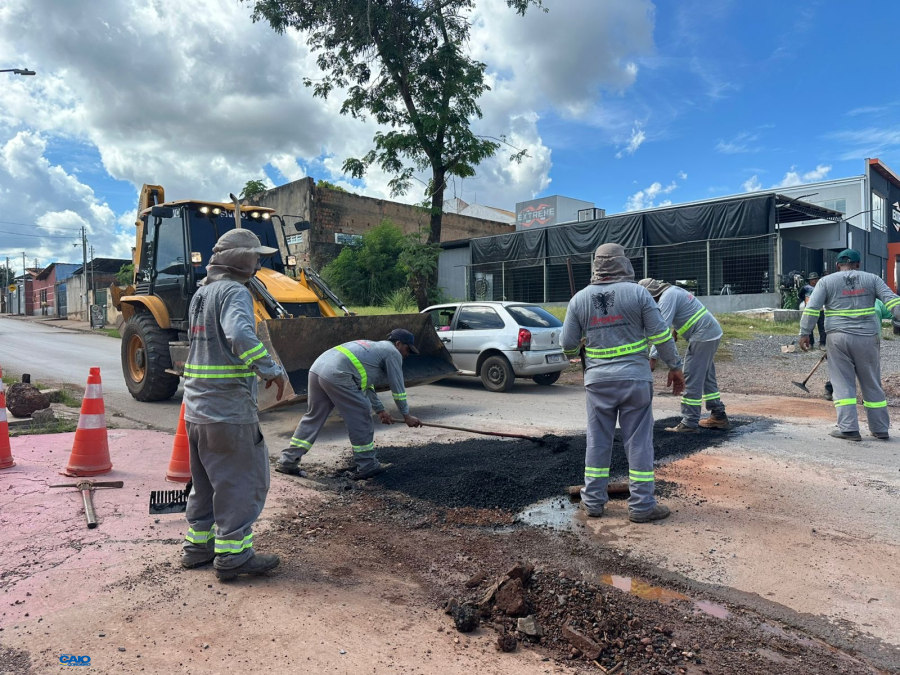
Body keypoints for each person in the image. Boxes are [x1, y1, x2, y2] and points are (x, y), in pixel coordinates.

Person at [181, 228, 288, 581]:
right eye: (256, 256)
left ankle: (198, 547)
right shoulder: (234, 292)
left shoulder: (202, 294)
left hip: (196, 411)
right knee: (242, 482)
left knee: (206, 483)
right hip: (227, 412)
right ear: (241, 260)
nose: (258, 263)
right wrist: (269, 368)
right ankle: (234, 556)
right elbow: (241, 335)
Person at [561, 244, 685, 523]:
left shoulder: (580, 299)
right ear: (623, 264)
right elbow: (661, 335)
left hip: (597, 382)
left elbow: (567, 344)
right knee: (639, 442)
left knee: (598, 440)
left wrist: (581, 344)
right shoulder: (639, 293)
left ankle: (592, 502)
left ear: (596, 266)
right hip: (635, 380)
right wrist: (676, 367)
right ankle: (642, 507)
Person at [276, 330, 423, 479]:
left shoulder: (373, 349)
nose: (407, 354)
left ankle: (287, 461)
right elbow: (398, 387)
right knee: (361, 416)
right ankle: (368, 465)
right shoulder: (393, 352)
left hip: (318, 369)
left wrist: (380, 410)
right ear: (398, 344)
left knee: (314, 416)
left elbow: (366, 384)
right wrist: (406, 415)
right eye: (407, 349)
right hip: (338, 374)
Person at [800, 249, 900, 441]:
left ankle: (848, 428)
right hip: (867, 338)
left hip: (837, 338)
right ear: (858, 264)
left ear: (838, 265)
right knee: (871, 382)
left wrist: (805, 333)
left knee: (842, 382)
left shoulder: (826, 282)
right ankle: (880, 429)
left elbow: (812, 308)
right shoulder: (872, 279)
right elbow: (893, 301)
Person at [639, 279, 729, 432]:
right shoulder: (673, 291)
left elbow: (661, 330)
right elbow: (685, 311)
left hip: (704, 334)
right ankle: (718, 415)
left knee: (691, 376)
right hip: (711, 332)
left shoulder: (666, 298)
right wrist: (676, 331)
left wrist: (653, 357)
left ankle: (689, 422)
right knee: (707, 376)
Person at [799, 273, 826, 349]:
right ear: (810, 280)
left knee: (822, 328)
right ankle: (810, 343)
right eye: (813, 279)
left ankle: (822, 343)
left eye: (816, 279)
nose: (815, 281)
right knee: (809, 328)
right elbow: (800, 295)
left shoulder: (821, 287)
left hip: (821, 310)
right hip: (810, 311)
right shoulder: (805, 288)